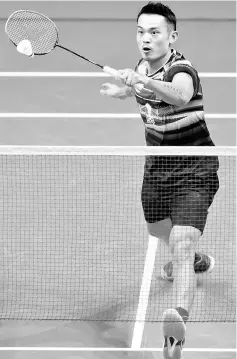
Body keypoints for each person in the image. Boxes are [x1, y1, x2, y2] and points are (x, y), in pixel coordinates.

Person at [100, 2, 219, 358]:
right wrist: (124, 90)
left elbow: (179, 96)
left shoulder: (183, 70)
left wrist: (144, 80)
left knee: (178, 246)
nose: (146, 39)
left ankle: (175, 335)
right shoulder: (141, 66)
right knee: (159, 232)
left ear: (172, 36)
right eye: (141, 31)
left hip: (195, 168)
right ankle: (194, 256)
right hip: (157, 169)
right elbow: (146, 94)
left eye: (154, 32)